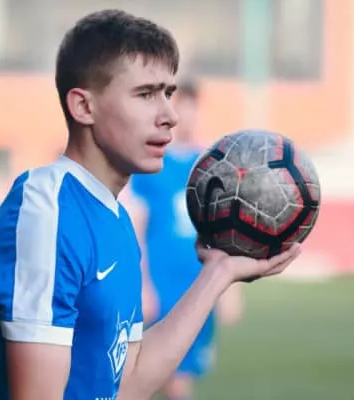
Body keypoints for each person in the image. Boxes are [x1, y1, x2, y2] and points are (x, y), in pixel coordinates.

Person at [0, 9, 300, 400]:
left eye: (168, 93)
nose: (170, 116)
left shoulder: (116, 218)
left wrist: (218, 273)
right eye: (145, 94)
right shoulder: (48, 212)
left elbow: (126, 383)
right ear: (83, 107)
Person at [122, 79, 244, 400]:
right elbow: (136, 226)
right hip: (161, 281)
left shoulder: (212, 166)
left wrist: (230, 289)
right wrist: (141, 284)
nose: (187, 116)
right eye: (181, 108)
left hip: (198, 280)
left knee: (182, 374)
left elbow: (224, 231)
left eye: (193, 108)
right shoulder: (151, 164)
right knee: (160, 376)